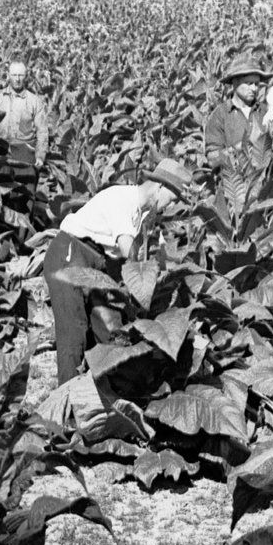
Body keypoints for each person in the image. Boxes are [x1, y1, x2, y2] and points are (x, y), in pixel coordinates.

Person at [45, 158, 200, 382]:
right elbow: (130, 251)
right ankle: (66, 401)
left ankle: (105, 396)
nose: (171, 206)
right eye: (172, 199)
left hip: (98, 262)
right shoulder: (122, 199)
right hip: (69, 253)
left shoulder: (143, 212)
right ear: (160, 187)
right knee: (74, 330)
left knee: (111, 330)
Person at [0, 60, 54, 170]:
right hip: (0, 151)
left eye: (21, 75)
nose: (17, 79)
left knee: (24, 185)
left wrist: (40, 156)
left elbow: (42, 132)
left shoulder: (34, 101)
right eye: (14, 75)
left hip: (25, 153)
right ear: (9, 76)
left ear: (26, 76)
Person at [202, 56, 270, 169]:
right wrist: (244, 145)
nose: (254, 88)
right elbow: (212, 160)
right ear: (235, 83)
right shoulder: (220, 115)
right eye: (248, 83)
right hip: (234, 183)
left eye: (256, 84)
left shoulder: (265, 112)